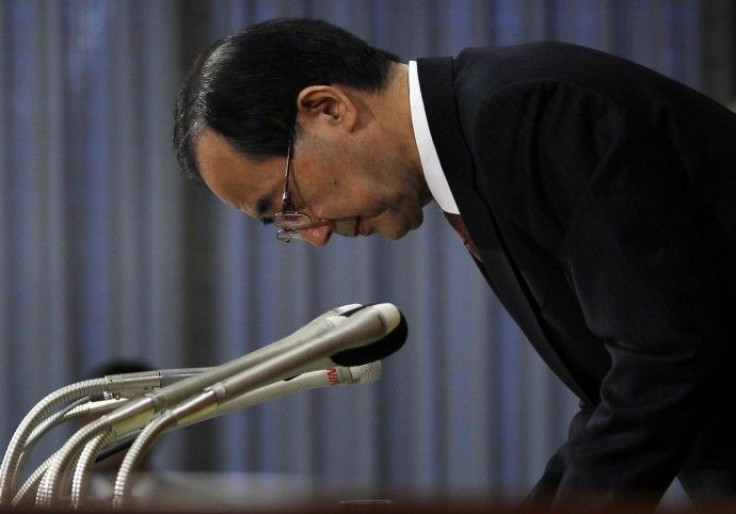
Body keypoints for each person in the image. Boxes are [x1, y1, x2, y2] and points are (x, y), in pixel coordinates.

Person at [173, 18, 736, 511]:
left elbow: (665, 355)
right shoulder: (476, 138)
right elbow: (614, 386)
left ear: (328, 109)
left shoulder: (524, 110)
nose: (314, 233)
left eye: (287, 204)